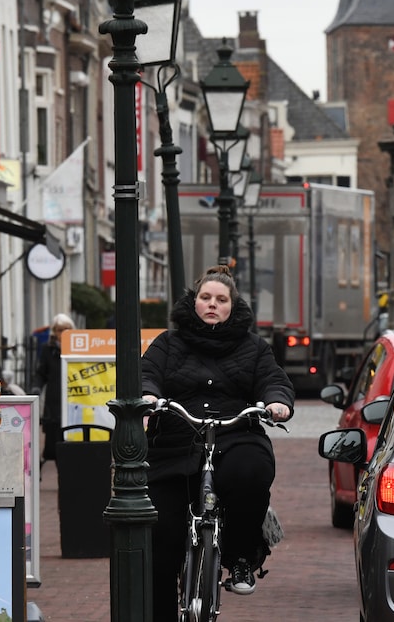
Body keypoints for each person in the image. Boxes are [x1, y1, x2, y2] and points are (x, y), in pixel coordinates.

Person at [140, 265, 293, 619]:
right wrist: (148, 395)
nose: (212, 304)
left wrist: (276, 402)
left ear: (231, 306)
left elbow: (273, 379)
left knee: (251, 472)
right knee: (161, 534)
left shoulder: (254, 347)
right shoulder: (168, 343)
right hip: (178, 438)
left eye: (220, 299)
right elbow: (147, 373)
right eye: (205, 298)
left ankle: (239, 558)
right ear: (194, 303)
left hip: (236, 434)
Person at [35, 313, 74, 463]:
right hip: (54, 402)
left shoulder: (78, 348)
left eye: (67, 329)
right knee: (54, 445)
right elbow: (41, 373)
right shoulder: (48, 350)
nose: (63, 333)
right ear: (54, 331)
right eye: (59, 329)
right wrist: (36, 387)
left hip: (74, 401)